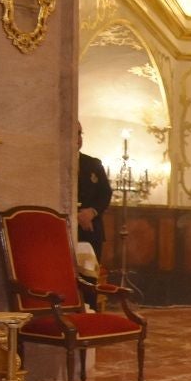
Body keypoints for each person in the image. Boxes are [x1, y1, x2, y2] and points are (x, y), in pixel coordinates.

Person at [77, 122, 112, 307]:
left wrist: (91, 212)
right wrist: (76, 214)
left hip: (91, 230)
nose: (77, 138)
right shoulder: (54, 164)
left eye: (80, 133)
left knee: (89, 275)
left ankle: (89, 310)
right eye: (74, 133)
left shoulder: (93, 164)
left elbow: (105, 193)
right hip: (65, 228)